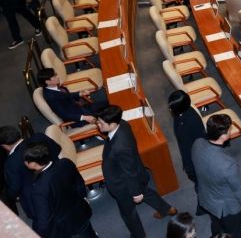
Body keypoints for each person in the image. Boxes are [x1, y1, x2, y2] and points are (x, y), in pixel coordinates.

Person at [97, 105, 177, 238]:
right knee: (146, 192)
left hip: (124, 184)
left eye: (101, 123)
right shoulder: (122, 124)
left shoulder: (120, 146)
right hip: (135, 173)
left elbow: (129, 172)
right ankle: (167, 209)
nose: (98, 124)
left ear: (112, 124)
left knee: (128, 213)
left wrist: (135, 193)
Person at [192, 114, 241, 238]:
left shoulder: (197, 144)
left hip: (206, 198)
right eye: (230, 129)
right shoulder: (227, 163)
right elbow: (238, 189)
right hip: (226, 208)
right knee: (234, 234)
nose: (231, 131)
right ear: (223, 136)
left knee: (216, 225)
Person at [23, 143, 96, 238]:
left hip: (62, 225)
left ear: (33, 164)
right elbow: (79, 183)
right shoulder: (65, 162)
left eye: (26, 161)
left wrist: (41, 234)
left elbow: (44, 219)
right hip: (80, 210)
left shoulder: (39, 189)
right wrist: (83, 198)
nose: (24, 163)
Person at [0, 126, 60, 218]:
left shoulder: (10, 163)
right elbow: (57, 148)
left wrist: (12, 196)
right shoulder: (39, 137)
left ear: (5, 146)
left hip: (37, 201)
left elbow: (14, 189)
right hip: (59, 179)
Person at [38, 68, 107, 128]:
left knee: (108, 103)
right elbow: (64, 114)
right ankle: (100, 130)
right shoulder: (51, 97)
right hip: (77, 119)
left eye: (56, 74)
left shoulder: (54, 87)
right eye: (54, 76)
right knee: (107, 114)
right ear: (47, 81)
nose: (57, 77)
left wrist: (80, 94)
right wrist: (84, 117)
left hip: (80, 108)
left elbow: (67, 95)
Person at [167, 91, 205, 187]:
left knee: (199, 182)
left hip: (195, 158)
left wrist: (189, 166)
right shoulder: (179, 115)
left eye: (172, 107)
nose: (169, 109)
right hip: (187, 151)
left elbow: (197, 145)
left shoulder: (191, 121)